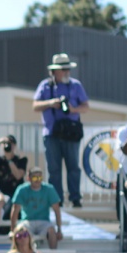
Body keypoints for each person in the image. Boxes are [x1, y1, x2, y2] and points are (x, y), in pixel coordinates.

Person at [33, 52, 89, 208]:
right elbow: (35, 105)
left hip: (71, 133)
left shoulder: (76, 85)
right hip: (51, 133)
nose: (66, 72)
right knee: (54, 169)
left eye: (67, 69)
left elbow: (86, 107)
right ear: (54, 71)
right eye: (63, 69)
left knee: (73, 167)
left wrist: (73, 109)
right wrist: (51, 103)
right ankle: (56, 200)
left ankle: (75, 198)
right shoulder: (45, 86)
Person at [9, 168, 63, 250]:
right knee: (21, 232)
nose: (37, 180)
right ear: (29, 178)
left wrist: (59, 230)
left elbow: (57, 210)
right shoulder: (22, 190)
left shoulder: (49, 189)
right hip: (27, 221)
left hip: (44, 221)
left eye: (40, 178)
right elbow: (15, 211)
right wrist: (13, 230)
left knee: (52, 230)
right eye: (35, 178)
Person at [0, 134, 28, 205]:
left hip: (16, 192)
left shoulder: (21, 160)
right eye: (5, 143)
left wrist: (9, 160)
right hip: (2, 192)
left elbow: (18, 175)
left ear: (14, 145)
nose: (7, 145)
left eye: (10, 143)